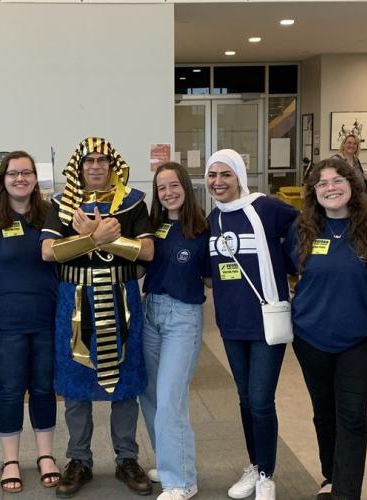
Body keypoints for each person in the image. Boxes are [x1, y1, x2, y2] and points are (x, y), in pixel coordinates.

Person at [40, 137, 155, 498]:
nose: (94, 166)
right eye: (88, 160)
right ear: (78, 167)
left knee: (126, 381)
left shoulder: (133, 202)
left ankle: (127, 458)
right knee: (75, 382)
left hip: (123, 300)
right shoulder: (60, 204)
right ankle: (78, 460)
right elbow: (47, 252)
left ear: (112, 165)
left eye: (101, 160)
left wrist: (102, 238)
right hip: (73, 301)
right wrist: (92, 238)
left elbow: (148, 251)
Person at [283, 158, 367, 500]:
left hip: (361, 339)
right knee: (324, 414)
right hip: (311, 338)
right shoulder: (302, 229)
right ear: (314, 192)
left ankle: (346, 492)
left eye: (337, 180)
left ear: (352, 184)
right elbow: (285, 271)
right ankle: (331, 477)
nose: (330, 187)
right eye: (322, 183)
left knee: (353, 417)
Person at [205, 149, 297, 500]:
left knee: (260, 400)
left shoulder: (266, 208)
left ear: (240, 177)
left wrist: (289, 268)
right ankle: (255, 464)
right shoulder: (214, 219)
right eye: (212, 176)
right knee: (244, 400)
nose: (218, 182)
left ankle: (266, 475)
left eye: (225, 175)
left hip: (266, 322)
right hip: (231, 324)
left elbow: (303, 226)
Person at [0, 151, 61, 493]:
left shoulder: (50, 214)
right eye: (13, 173)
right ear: (2, 179)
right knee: (9, 391)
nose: (20, 178)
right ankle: (10, 460)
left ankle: (46, 455)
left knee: (43, 388)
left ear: (36, 178)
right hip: (4, 323)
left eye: (26, 173)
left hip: (47, 318)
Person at [139, 162, 210, 500]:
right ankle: (170, 463)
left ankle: (181, 482)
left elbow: (213, 277)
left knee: (170, 399)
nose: (168, 192)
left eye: (173, 185)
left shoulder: (203, 228)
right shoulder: (151, 226)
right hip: (150, 310)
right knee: (150, 395)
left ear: (186, 186)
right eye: (161, 188)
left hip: (183, 317)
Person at [332, 134, 367, 209]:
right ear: (343, 145)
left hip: (359, 199)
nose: (352, 145)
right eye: (349, 143)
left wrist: (364, 178)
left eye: (355, 144)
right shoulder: (336, 160)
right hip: (343, 201)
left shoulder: (356, 161)